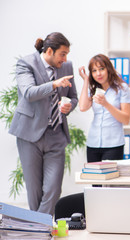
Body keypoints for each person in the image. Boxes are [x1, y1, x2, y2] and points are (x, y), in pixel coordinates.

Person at [9, 32, 78, 215]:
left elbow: (73, 97)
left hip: (56, 134)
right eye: (62, 54)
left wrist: (69, 106)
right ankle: (41, 230)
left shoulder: (67, 66)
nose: (65, 59)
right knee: (35, 190)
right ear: (49, 51)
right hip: (29, 134)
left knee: (54, 189)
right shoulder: (26, 63)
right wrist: (55, 84)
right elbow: (29, 93)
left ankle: (37, 226)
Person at [79, 54, 130, 163]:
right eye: (94, 71)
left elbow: (126, 119)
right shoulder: (93, 90)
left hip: (113, 145)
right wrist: (86, 81)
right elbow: (83, 107)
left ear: (108, 69)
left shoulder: (122, 88)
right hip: (93, 143)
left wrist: (106, 104)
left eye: (101, 69)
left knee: (109, 179)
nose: (98, 73)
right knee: (94, 179)